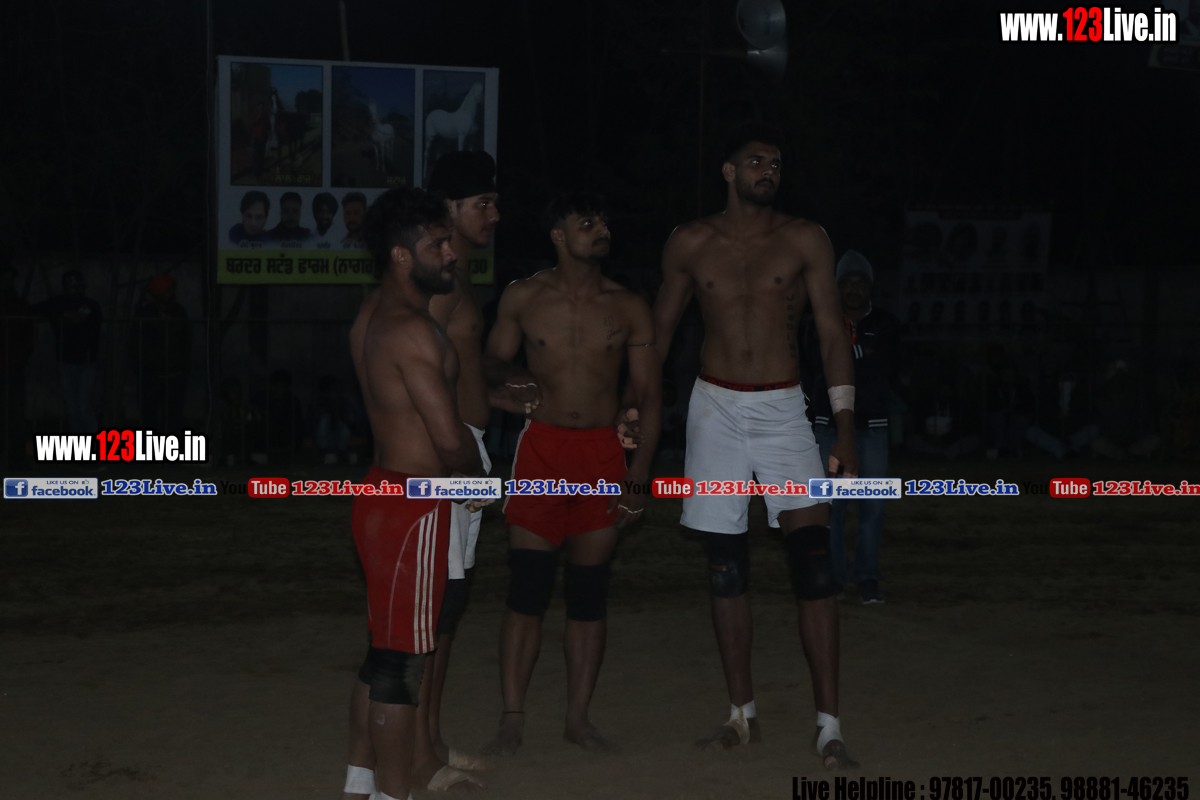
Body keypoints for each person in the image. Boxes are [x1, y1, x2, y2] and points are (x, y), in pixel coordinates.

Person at [651, 121, 859, 769]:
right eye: (756, 161)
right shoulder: (690, 241)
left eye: (776, 163)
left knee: (814, 563)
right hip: (713, 407)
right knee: (726, 566)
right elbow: (659, 333)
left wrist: (844, 425)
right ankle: (741, 714)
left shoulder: (804, 239)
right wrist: (636, 405)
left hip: (783, 409)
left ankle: (829, 725)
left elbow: (831, 333)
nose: (769, 170)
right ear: (729, 171)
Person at [480, 192, 660, 756]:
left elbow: (648, 392)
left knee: (588, 592)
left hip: (603, 455)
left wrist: (638, 476)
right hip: (542, 451)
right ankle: (512, 717)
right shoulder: (523, 296)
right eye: (587, 222)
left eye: (604, 221)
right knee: (527, 589)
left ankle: (578, 719)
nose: (601, 229)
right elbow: (487, 365)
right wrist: (509, 382)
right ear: (558, 235)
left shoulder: (628, 305)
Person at [341, 186, 488, 800]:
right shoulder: (412, 330)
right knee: (402, 667)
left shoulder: (370, 315)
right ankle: (393, 794)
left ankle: (360, 782)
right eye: (437, 244)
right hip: (414, 504)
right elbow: (448, 439)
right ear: (402, 255)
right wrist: (481, 480)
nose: (451, 253)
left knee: (384, 654)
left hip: (383, 495)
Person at [418, 149, 511, 778]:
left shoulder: (461, 271)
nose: (494, 215)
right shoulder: (437, 278)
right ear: (448, 208)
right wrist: (453, 458)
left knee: (449, 608)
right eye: (483, 204)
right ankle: (417, 754)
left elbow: (455, 367)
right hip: (445, 454)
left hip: (467, 447)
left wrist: (500, 396)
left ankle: (430, 739)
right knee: (434, 610)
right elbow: (415, 371)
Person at [804, 251, 900, 605]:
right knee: (831, 507)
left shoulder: (886, 324)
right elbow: (814, 364)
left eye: (861, 282)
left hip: (873, 427)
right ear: (836, 287)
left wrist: (842, 356)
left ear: (870, 287)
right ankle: (836, 578)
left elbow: (889, 365)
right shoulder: (818, 321)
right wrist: (863, 354)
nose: (854, 289)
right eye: (847, 282)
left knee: (872, 508)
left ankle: (867, 578)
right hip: (828, 426)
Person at [35, 270, 104, 433]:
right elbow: (37, 309)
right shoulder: (59, 303)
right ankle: (79, 443)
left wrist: (72, 317)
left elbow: (93, 323)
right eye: (72, 287)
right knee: (72, 407)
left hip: (86, 363)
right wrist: (64, 314)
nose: (76, 290)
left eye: (79, 286)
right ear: (66, 288)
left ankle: (94, 442)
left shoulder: (91, 305)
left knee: (83, 405)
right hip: (65, 362)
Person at [129, 274, 191, 433]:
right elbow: (136, 344)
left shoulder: (179, 312)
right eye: (166, 290)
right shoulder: (144, 314)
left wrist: (182, 367)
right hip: (151, 376)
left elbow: (186, 342)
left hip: (175, 375)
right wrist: (143, 368)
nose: (170, 293)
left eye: (171, 290)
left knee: (173, 420)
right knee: (148, 419)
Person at [0, 257, 35, 466]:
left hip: (13, 365)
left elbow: (29, 336)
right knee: (14, 410)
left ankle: (16, 456)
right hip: (13, 363)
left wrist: (21, 358)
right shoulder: (19, 304)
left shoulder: (20, 304)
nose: (6, 282)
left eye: (9, 278)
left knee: (15, 411)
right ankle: (14, 455)